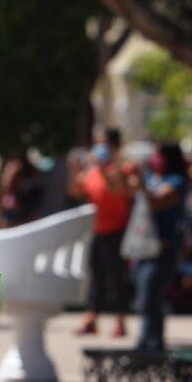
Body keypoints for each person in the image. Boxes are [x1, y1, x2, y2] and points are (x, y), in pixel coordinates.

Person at [68, 128, 134, 337]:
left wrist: (103, 170)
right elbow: (75, 190)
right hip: (96, 231)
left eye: (103, 143)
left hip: (117, 231)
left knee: (116, 277)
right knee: (96, 277)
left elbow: (117, 191)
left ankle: (121, 320)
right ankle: (92, 317)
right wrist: (76, 170)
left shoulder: (123, 168)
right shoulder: (91, 171)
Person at [128, 142, 189, 352]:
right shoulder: (155, 179)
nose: (154, 159)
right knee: (144, 298)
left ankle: (153, 344)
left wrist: (141, 182)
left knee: (150, 297)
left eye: (158, 155)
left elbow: (157, 201)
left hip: (164, 249)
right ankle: (146, 342)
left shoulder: (176, 181)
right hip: (145, 248)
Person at [0, 153, 43, 228]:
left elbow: (4, 187)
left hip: (19, 217)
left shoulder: (15, 168)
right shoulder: (13, 167)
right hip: (11, 213)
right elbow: (4, 188)